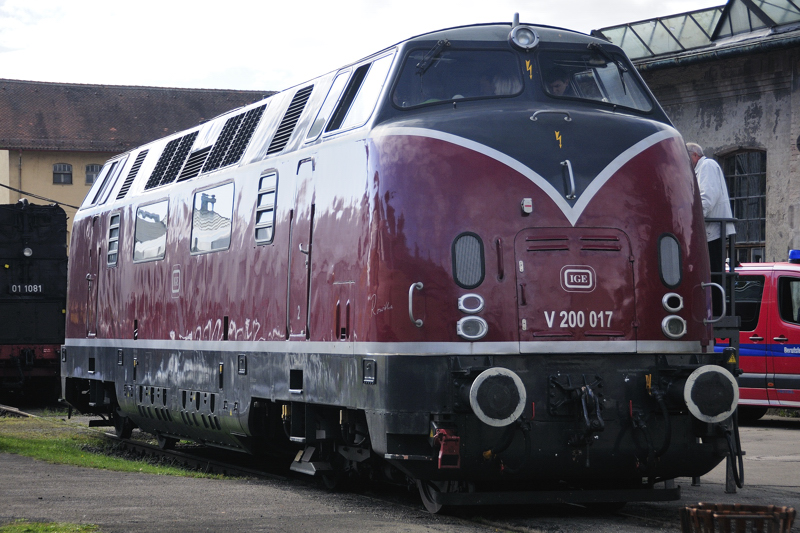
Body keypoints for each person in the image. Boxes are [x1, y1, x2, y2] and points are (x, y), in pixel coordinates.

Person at [687, 142, 736, 315]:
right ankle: (711, 309)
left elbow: (707, 197)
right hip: (709, 230)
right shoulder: (701, 169)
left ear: (694, 155)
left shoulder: (707, 165)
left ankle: (715, 311)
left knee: (713, 273)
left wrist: (692, 218)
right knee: (710, 273)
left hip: (713, 231)